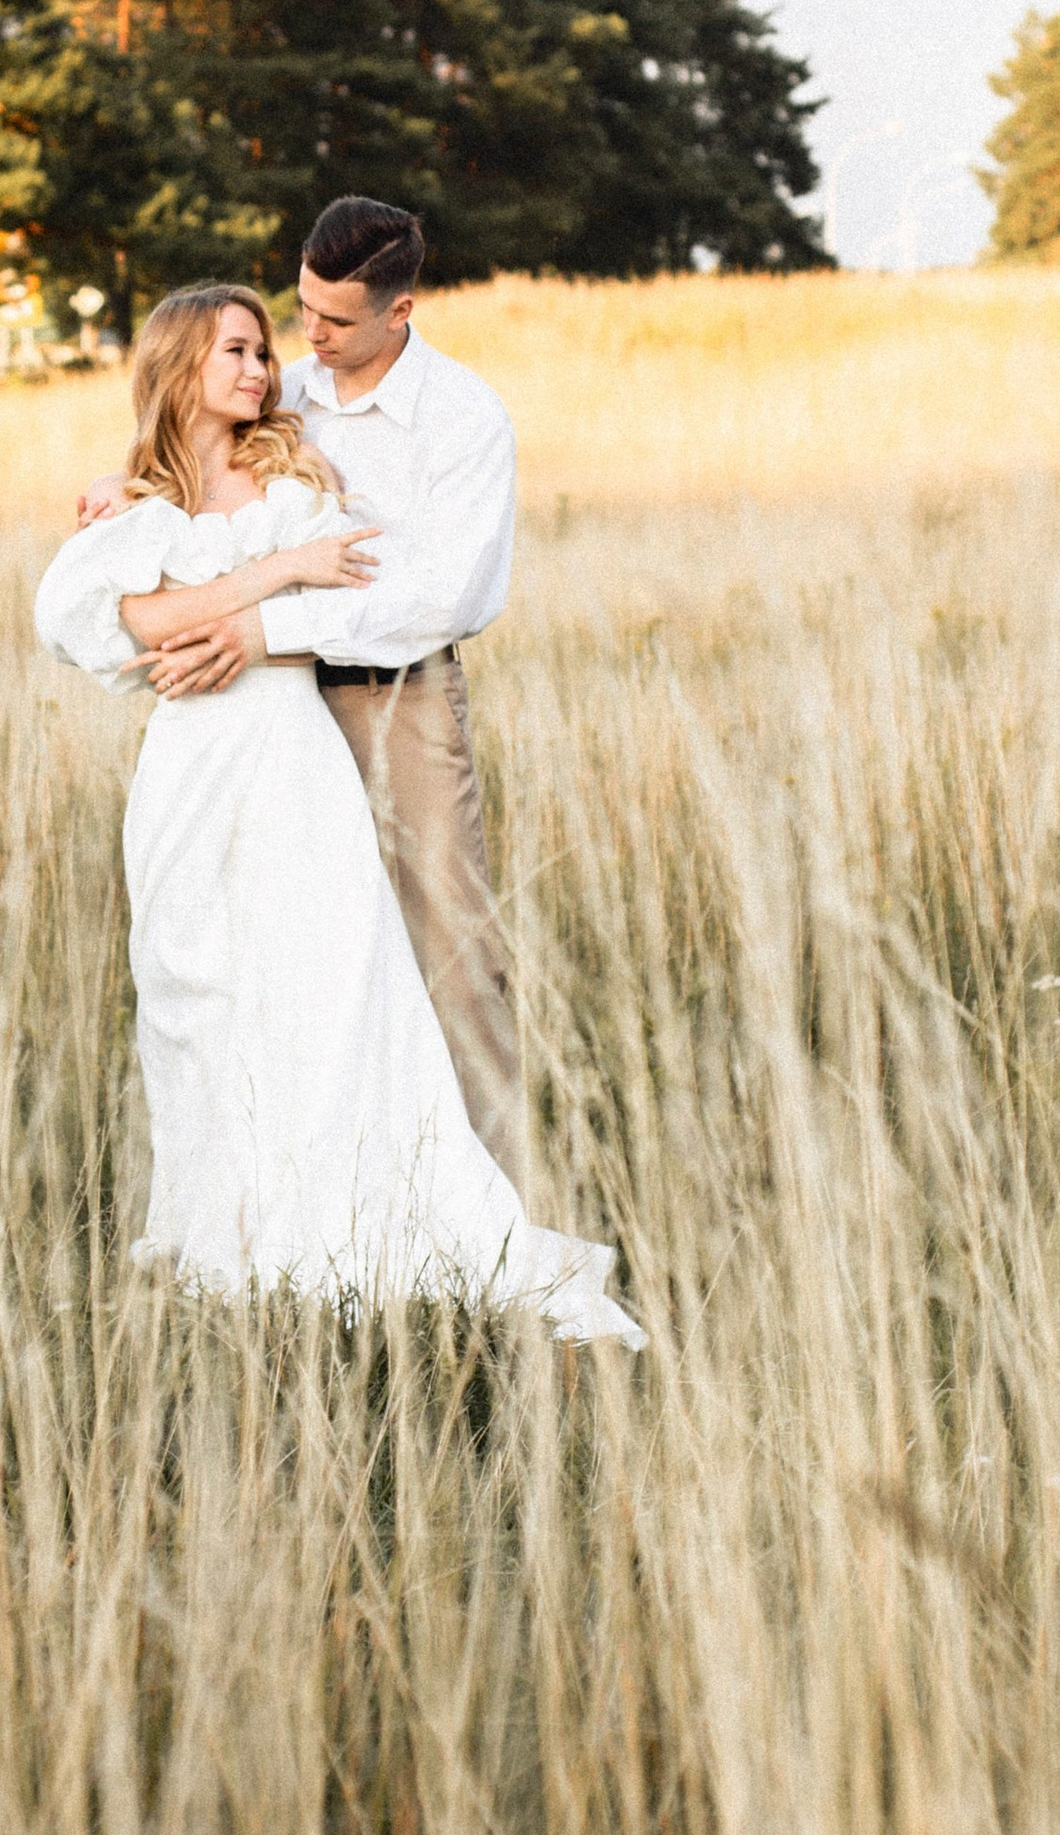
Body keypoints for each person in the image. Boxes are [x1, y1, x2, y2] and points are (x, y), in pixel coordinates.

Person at [35, 280, 642, 1345]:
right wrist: (273, 575)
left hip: (285, 756)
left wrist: (262, 605)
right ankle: (219, 1228)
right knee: (192, 985)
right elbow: (138, 622)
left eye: (264, 352)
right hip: (187, 771)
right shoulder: (137, 510)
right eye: (234, 351)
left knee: (316, 983)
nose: (262, 369)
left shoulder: (297, 479)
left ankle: (333, 1227)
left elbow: (334, 613)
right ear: (179, 366)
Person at [88, 198, 533, 1194]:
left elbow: (442, 594)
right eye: (301, 309)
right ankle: (311, 1187)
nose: (308, 339)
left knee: (449, 953)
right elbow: (200, 458)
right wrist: (124, 491)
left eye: (334, 321)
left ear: (401, 310)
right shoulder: (287, 392)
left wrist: (261, 631)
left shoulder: (462, 418)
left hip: (394, 704)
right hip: (263, 715)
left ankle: (488, 1199)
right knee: (290, 952)